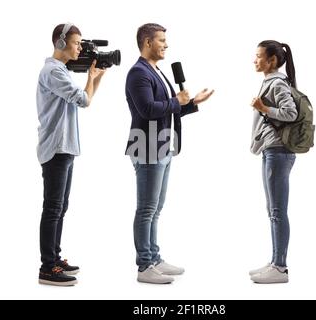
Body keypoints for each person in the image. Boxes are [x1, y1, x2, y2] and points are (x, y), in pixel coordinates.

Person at [125, 23, 214, 284]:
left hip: (163, 145)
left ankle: (154, 257)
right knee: (146, 209)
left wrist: (192, 103)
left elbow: (168, 109)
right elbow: (148, 110)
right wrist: (178, 101)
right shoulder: (138, 73)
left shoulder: (156, 71)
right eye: (161, 40)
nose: (166, 45)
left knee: (156, 208)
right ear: (147, 42)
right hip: (147, 145)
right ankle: (144, 266)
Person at [36, 23, 106, 286]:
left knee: (60, 207)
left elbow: (84, 99)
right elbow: (83, 100)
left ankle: (54, 258)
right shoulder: (53, 72)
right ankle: (47, 266)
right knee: (53, 208)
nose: (80, 48)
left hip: (64, 147)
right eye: (77, 43)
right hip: (56, 147)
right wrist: (90, 77)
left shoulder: (60, 71)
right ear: (61, 43)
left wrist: (97, 76)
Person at [249, 40, 298, 284]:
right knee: (273, 211)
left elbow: (291, 114)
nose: (254, 60)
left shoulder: (277, 83)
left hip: (278, 152)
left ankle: (280, 267)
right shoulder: (271, 81)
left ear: (272, 60)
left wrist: (264, 109)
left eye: (259, 56)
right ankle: (275, 262)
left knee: (278, 211)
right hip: (272, 151)